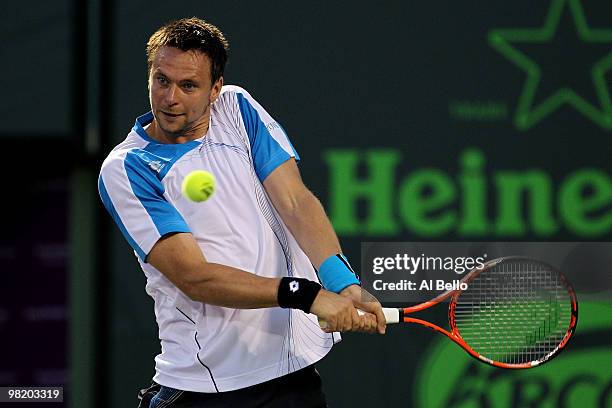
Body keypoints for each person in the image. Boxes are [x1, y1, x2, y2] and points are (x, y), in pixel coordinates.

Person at [98, 17, 386, 408]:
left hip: (292, 374)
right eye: (161, 80)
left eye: (188, 85)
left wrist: (341, 282)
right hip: (208, 386)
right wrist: (305, 294)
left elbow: (295, 202)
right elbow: (195, 278)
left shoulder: (237, 107)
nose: (170, 98)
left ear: (215, 88)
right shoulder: (127, 168)